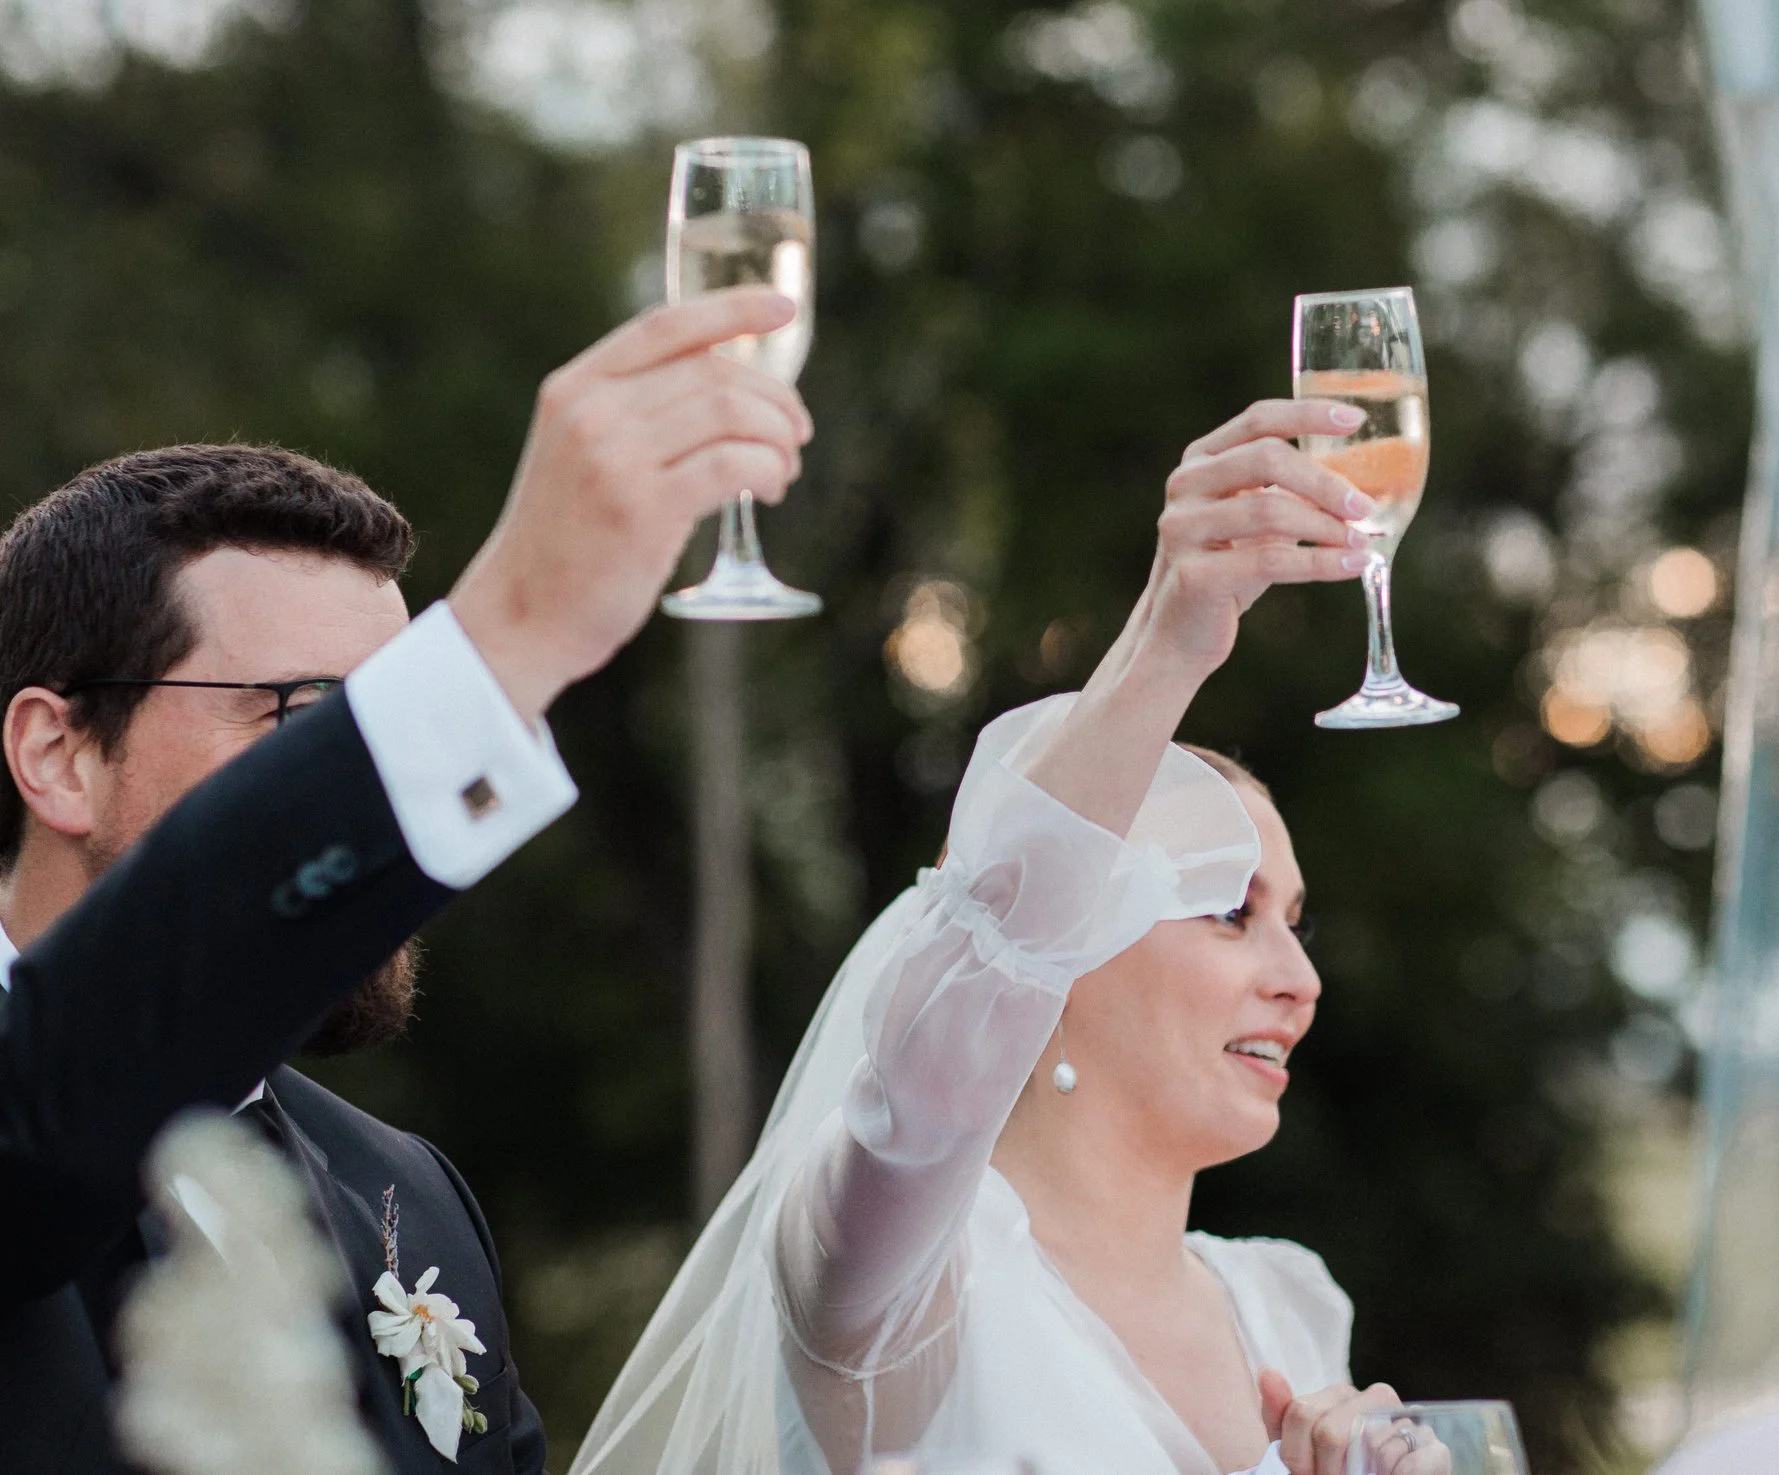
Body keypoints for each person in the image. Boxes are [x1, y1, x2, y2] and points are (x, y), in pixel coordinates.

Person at [0, 288, 811, 1475]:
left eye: (380, 719)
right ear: (57, 754)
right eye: (310, 721)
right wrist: (504, 641)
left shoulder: (408, 1194)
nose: (382, 797)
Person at [576, 399, 1435, 1475]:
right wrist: (1166, 640)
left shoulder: (1289, 1301)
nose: (1299, 981)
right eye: (1231, 911)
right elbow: (951, 1032)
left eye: (1295, 924)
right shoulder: (904, 1284)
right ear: (1064, 946)